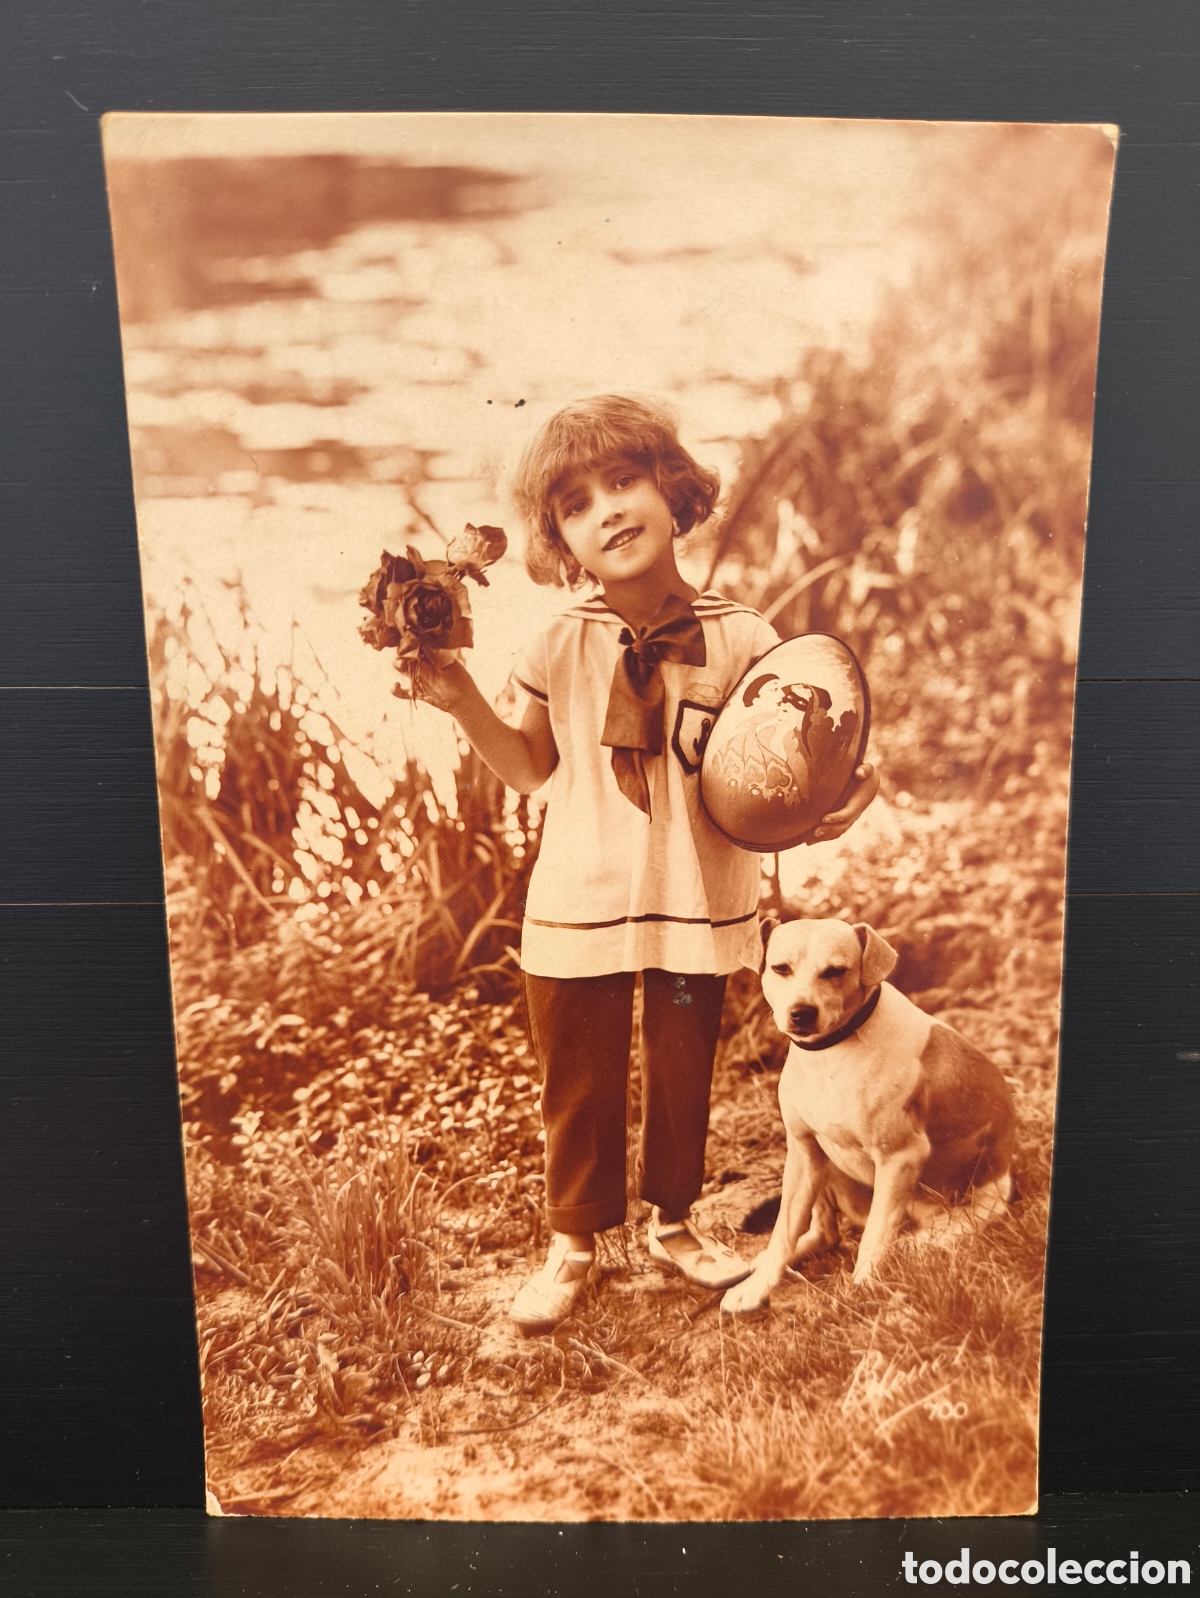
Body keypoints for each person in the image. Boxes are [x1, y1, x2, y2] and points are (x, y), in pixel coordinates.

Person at [415, 395, 877, 1332]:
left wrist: (825, 803)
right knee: (576, 1074)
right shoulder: (557, 640)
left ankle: (673, 1222)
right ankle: (573, 1242)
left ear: (671, 486)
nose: (609, 510)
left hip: (695, 896)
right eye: (576, 505)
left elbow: (774, 771)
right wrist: (459, 698)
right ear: (558, 540)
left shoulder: (744, 636)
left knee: (681, 1065)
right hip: (579, 892)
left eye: (624, 480)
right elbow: (530, 767)